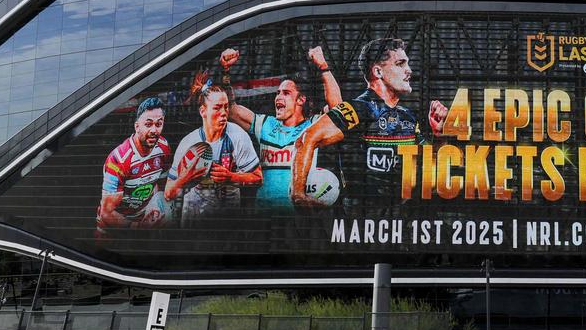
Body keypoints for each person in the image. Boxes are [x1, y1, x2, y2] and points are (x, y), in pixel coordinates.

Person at [289, 37, 448, 208]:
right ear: (378, 72)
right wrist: (298, 195)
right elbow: (306, 139)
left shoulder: (407, 116)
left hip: (401, 221)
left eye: (407, 64)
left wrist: (438, 134)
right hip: (363, 220)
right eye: (401, 64)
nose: (409, 70)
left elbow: (430, 166)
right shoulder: (359, 109)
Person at [218, 45, 342, 212]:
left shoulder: (313, 125)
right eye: (277, 93)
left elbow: (338, 109)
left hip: (296, 218)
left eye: (286, 93)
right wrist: (225, 71)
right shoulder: (265, 124)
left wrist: (323, 66)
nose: (278, 97)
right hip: (264, 218)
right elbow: (231, 110)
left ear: (301, 100)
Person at [165, 84, 262, 224]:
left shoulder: (238, 136)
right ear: (203, 111)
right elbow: (169, 194)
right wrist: (184, 179)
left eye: (226, 107)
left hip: (228, 220)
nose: (224, 112)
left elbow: (258, 178)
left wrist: (231, 177)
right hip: (195, 220)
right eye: (217, 108)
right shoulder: (189, 143)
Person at [96, 97, 171, 239]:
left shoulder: (164, 147)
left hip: (142, 219)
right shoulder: (118, 160)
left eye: (159, 124)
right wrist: (136, 227)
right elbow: (107, 213)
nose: (154, 130)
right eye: (148, 124)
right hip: (114, 226)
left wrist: (156, 209)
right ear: (137, 126)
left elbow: (161, 186)